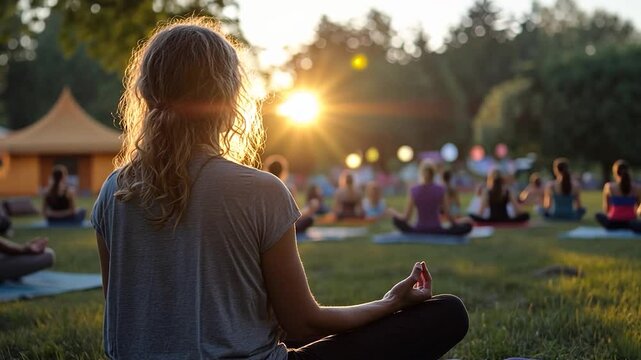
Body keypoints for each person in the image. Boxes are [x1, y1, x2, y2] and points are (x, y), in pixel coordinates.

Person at [91, 19, 468, 360]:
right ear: (228, 98)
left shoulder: (113, 191)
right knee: (448, 313)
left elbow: (126, 315)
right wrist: (389, 303)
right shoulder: (259, 191)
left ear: (146, 93)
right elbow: (303, 324)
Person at [392, 160, 472, 235]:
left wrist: (394, 213)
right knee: (467, 225)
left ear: (421, 174)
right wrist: (459, 222)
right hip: (436, 229)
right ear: (434, 174)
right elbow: (448, 215)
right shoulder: (441, 189)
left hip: (419, 229)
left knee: (395, 220)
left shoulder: (414, 190)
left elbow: (406, 217)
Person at [264, 154, 317, 233]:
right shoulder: (289, 188)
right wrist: (310, 208)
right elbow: (295, 215)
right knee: (310, 219)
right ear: (283, 171)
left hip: (267, 226)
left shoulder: (263, 187)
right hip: (284, 227)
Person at [595, 160, 641, 230]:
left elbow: (606, 209)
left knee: (598, 215)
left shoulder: (609, 187)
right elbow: (639, 209)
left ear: (615, 173)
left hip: (613, 222)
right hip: (631, 222)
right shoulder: (637, 187)